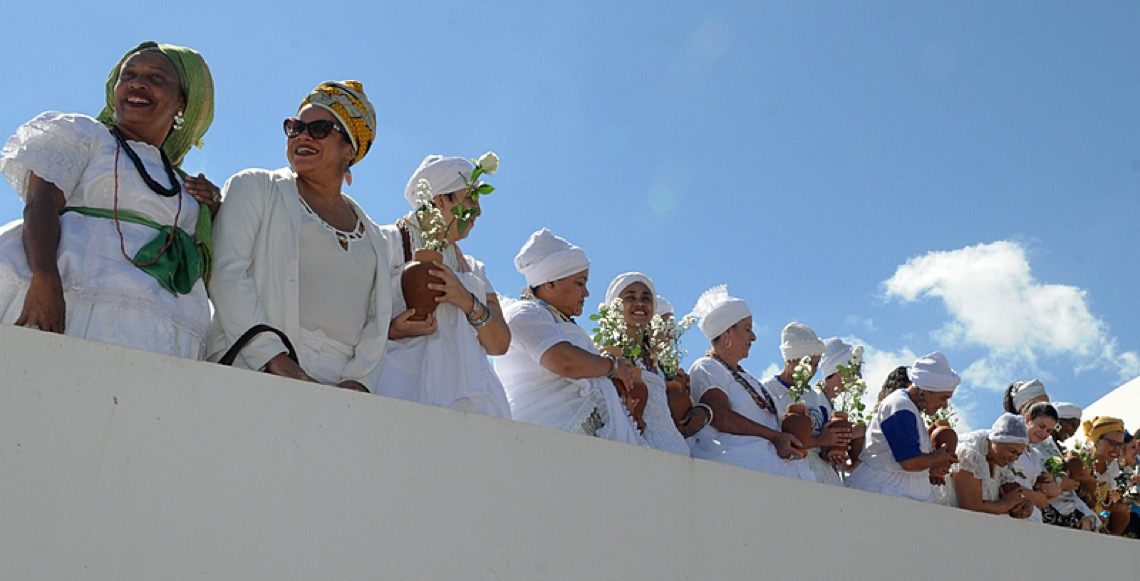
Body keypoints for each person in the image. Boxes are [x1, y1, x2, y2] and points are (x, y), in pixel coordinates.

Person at [0, 41, 219, 358]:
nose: (137, 83)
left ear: (182, 103)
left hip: (154, 325)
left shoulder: (182, 183)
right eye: (127, 74)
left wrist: (212, 209)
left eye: (156, 78)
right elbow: (41, 202)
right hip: (68, 293)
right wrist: (44, 277)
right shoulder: (86, 135)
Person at [206, 81, 391, 392]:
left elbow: (377, 323)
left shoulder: (373, 236)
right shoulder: (255, 187)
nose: (303, 136)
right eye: (295, 127)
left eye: (319, 128)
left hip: (340, 392)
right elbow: (227, 275)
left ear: (350, 150)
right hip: (254, 370)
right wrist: (276, 360)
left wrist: (358, 384)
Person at [372, 154, 511, 417]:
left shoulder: (474, 269)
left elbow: (500, 344)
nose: (479, 210)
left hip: (476, 403)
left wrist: (467, 301)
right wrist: (390, 330)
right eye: (471, 197)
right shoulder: (385, 242)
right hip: (402, 394)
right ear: (439, 199)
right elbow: (351, 316)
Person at [495, 229, 643, 444]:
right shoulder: (524, 313)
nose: (586, 293)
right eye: (580, 283)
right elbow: (563, 361)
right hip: (543, 441)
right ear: (550, 283)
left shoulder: (561, 322)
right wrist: (612, 366)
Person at [685, 285, 812, 479]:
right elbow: (721, 416)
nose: (753, 337)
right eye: (747, 330)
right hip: (738, 466)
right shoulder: (707, 367)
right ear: (727, 333)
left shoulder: (749, 379)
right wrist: (775, 437)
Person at [846, 352, 959, 502]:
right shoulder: (899, 406)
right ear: (926, 390)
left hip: (897, 494)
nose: (944, 405)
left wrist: (930, 469)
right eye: (943, 398)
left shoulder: (909, 409)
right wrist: (937, 458)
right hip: (881, 492)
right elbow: (909, 461)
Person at [601, 272, 693, 455]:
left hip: (675, 451)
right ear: (615, 308)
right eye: (630, 297)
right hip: (635, 450)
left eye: (646, 297)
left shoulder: (656, 359)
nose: (640, 303)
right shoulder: (606, 350)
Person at [761, 323, 852, 484]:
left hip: (823, 475)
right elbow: (770, 438)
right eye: (808, 363)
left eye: (816, 364)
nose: (812, 370)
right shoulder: (768, 389)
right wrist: (819, 441)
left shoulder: (818, 396)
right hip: (788, 471)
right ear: (790, 360)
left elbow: (825, 445)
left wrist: (834, 449)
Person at [935, 413, 1034, 518]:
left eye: (1019, 454)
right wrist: (1006, 505)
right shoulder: (969, 454)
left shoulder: (1002, 463)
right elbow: (970, 506)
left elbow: (1013, 492)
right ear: (997, 441)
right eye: (1012, 451)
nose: (1014, 458)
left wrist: (1023, 504)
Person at [808, 337, 867, 485]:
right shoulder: (812, 399)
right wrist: (854, 432)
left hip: (827, 477)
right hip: (810, 474)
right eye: (856, 369)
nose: (860, 376)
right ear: (840, 371)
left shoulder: (833, 405)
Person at [999, 402, 1062, 522]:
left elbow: (1043, 488)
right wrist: (1034, 496)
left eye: (1049, 431)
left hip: (1033, 518)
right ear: (1028, 418)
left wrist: (1054, 489)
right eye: (1041, 426)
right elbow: (1001, 481)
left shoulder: (1036, 456)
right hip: (1008, 516)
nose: (1044, 434)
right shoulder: (1007, 444)